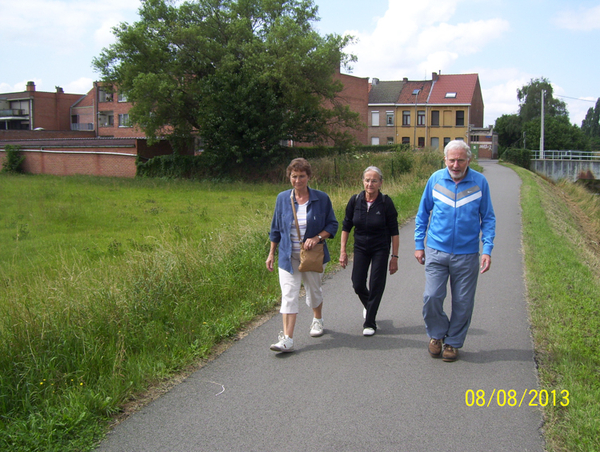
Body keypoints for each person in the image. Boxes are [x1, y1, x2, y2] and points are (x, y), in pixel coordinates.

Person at [414, 140, 496, 362]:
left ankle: (453, 342)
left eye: (460, 160)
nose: (456, 165)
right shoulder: (435, 180)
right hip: (436, 251)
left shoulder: (480, 182)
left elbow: (488, 218)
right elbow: (422, 214)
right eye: (452, 160)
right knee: (431, 296)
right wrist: (419, 244)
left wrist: (487, 249)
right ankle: (437, 335)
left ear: (468, 160)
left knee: (463, 302)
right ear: (445, 160)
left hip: (467, 254)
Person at [266, 158, 338, 353]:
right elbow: (275, 229)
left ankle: (317, 319)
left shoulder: (321, 198)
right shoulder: (282, 198)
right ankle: (287, 339)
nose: (298, 180)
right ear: (289, 177)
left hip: (312, 257)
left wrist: (317, 237)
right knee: (288, 295)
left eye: (302, 176)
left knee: (314, 292)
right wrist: (271, 253)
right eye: (294, 176)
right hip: (288, 257)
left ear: (309, 177)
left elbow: (332, 225)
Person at [339, 166, 399, 336]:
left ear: (380, 183)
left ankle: (370, 322)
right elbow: (346, 226)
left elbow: (394, 232)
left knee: (376, 284)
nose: (370, 183)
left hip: (380, 247)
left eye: (374, 180)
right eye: (367, 180)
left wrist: (394, 257)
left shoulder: (386, 202)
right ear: (363, 182)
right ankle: (370, 307)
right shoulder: (355, 200)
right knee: (357, 283)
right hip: (360, 247)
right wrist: (343, 251)